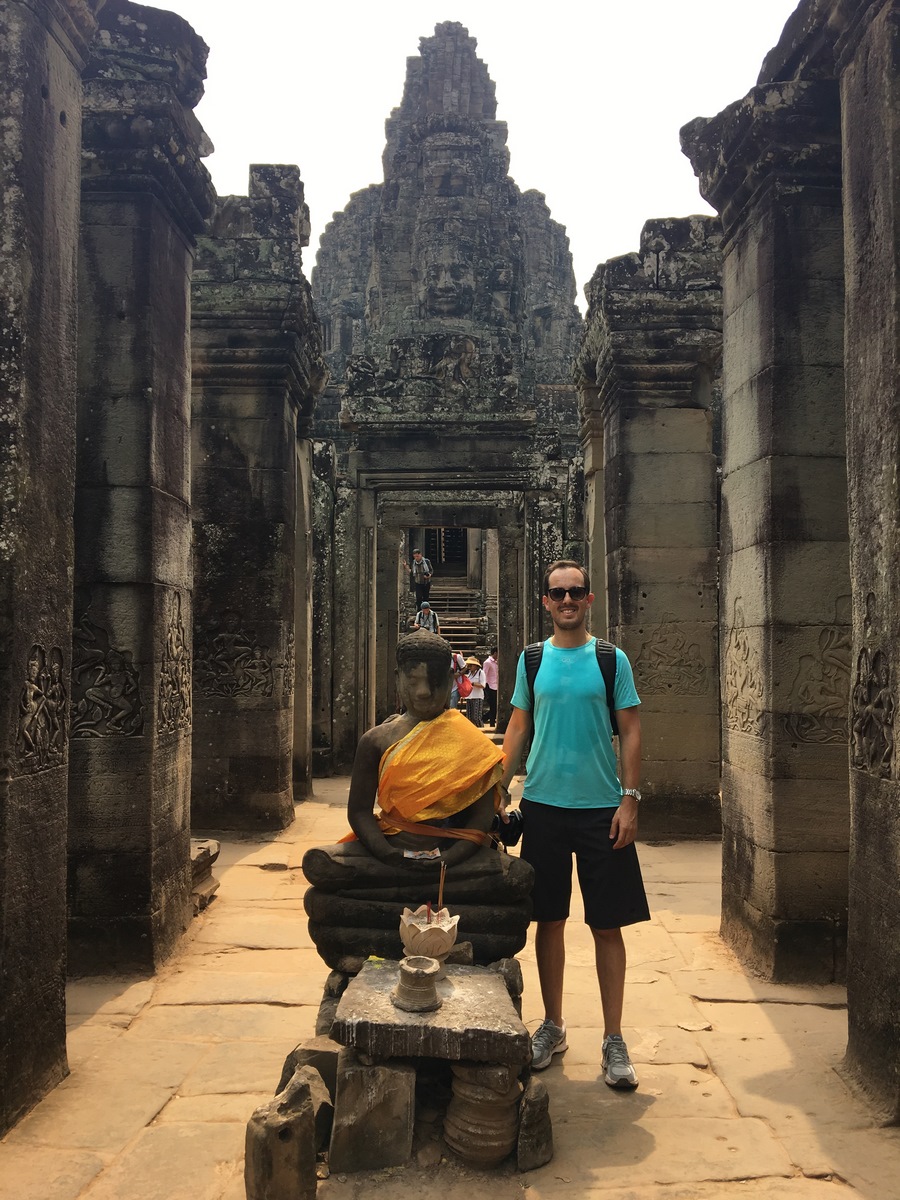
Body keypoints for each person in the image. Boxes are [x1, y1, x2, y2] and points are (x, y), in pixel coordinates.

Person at [500, 559, 648, 1089]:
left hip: (601, 809)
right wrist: (497, 788)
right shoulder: (532, 659)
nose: (567, 600)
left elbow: (631, 731)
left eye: (576, 592)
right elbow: (518, 726)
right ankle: (553, 1024)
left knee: (607, 925)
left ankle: (614, 1038)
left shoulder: (610, 659)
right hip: (543, 804)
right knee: (550, 920)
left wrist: (630, 800)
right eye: (558, 593)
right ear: (546, 601)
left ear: (589, 599)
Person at [464, 656, 486, 726]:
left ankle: (480, 728)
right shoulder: (469, 674)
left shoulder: (480, 673)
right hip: (469, 696)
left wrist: (472, 684)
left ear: (476, 666)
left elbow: (483, 685)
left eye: (471, 665)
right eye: (469, 665)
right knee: (469, 717)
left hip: (477, 696)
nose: (469, 667)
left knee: (476, 717)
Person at [482, 647, 498, 726]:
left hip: (496, 686)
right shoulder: (487, 662)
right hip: (490, 686)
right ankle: (489, 721)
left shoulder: (497, 662)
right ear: (495, 653)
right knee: (493, 706)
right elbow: (484, 674)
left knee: (495, 706)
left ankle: (487, 719)